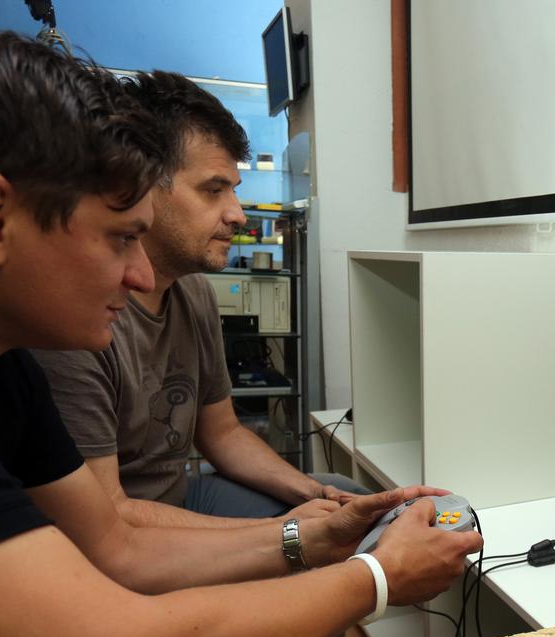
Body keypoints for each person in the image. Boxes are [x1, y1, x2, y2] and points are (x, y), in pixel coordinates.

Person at [0, 26, 481, 637]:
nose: (137, 276)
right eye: (119, 239)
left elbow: (116, 542)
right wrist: (376, 577)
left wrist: (314, 535)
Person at [34, 71, 364, 527]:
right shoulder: (77, 320)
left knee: (349, 498)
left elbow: (224, 433)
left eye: (234, 190)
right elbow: (108, 526)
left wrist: (316, 494)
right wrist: (286, 534)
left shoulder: (194, 293)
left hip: (182, 499)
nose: (237, 215)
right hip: (123, 529)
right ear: (142, 185)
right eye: (213, 190)